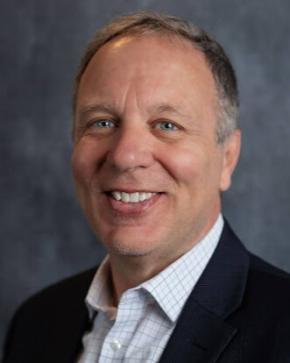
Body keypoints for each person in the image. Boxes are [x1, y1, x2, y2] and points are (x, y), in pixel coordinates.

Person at [3, 11, 290, 363]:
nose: (125, 156)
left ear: (227, 158)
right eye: (102, 122)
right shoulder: (36, 323)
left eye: (166, 125)